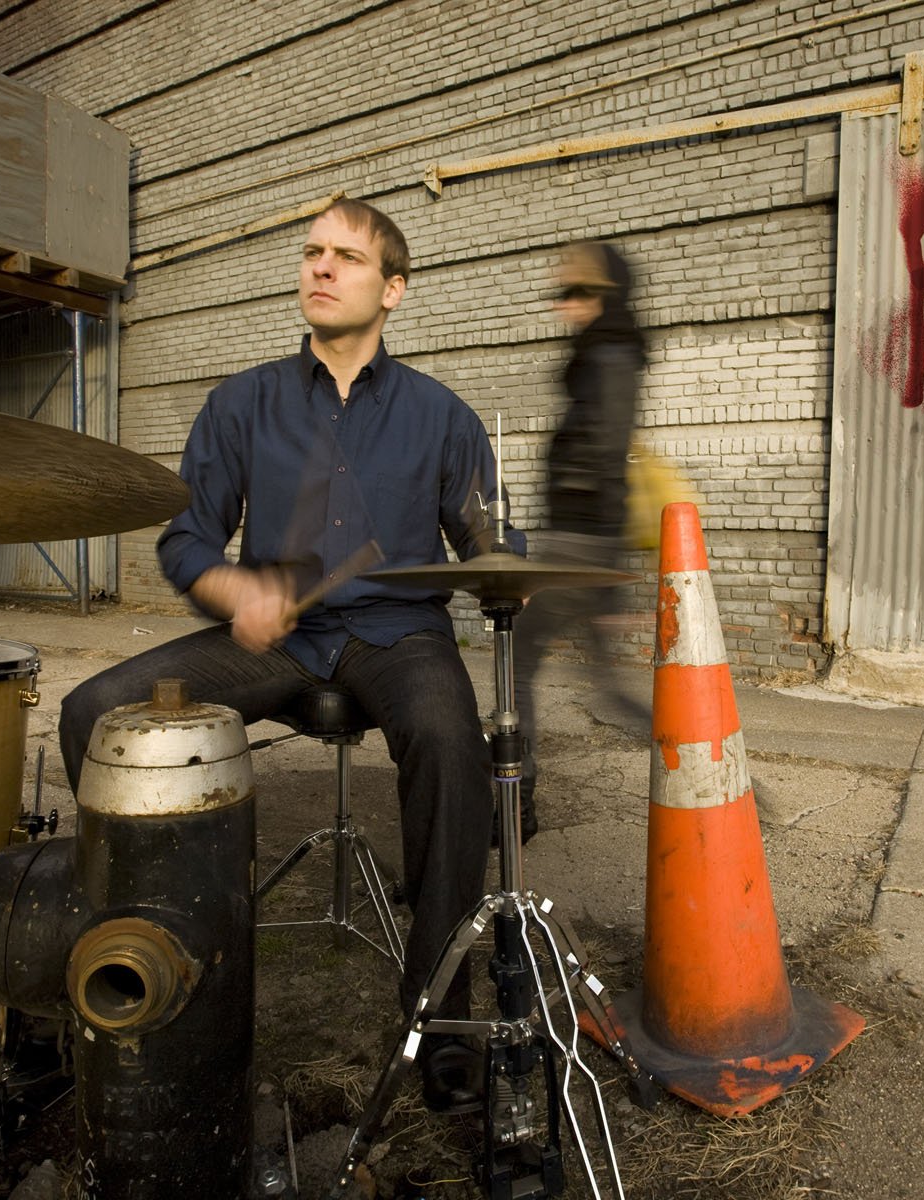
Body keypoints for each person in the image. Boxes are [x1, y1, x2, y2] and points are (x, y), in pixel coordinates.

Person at [58, 197, 518, 1115]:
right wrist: (234, 590)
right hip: (282, 639)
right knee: (93, 712)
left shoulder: (444, 417)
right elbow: (187, 541)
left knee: (450, 741)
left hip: (400, 636)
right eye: (312, 252)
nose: (320, 267)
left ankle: (441, 1017)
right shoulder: (241, 404)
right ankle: (148, 954)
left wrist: (513, 570)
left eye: (345, 257)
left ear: (393, 290)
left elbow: (491, 549)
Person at [511, 241, 649, 843]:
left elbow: (609, 459)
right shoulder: (600, 353)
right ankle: (706, 760)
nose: (565, 307)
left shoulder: (611, 353)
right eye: (561, 294)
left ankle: (517, 802)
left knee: (513, 664)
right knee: (610, 689)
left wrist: (602, 569)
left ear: (603, 296)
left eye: (576, 294)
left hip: (581, 546)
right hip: (584, 544)